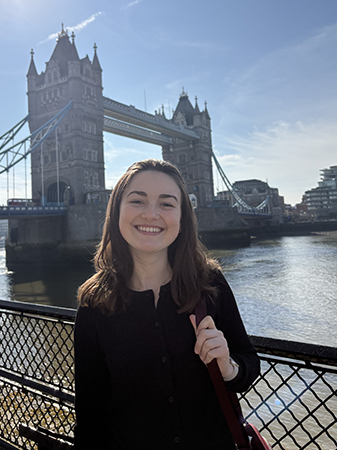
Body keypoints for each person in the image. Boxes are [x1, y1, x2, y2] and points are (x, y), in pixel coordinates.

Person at [74, 159, 260, 450]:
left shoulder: (210, 283)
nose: (151, 214)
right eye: (137, 201)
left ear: (183, 217)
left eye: (167, 204)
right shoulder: (94, 303)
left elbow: (248, 364)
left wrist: (228, 367)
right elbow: (89, 415)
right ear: (116, 211)